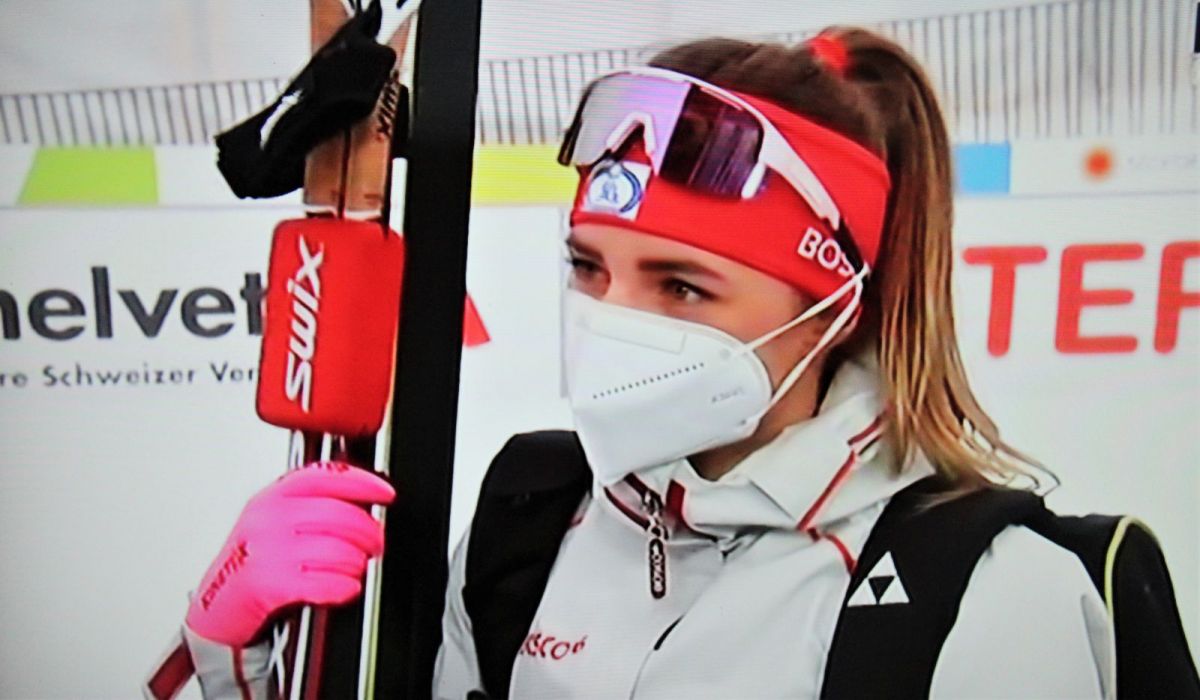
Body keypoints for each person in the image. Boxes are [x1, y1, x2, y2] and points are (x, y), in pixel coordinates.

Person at [175, 27, 1199, 699]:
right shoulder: (530, 515)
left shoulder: (985, 590)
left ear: (833, 304)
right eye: (590, 267)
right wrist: (234, 655)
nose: (612, 319)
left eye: (682, 286)